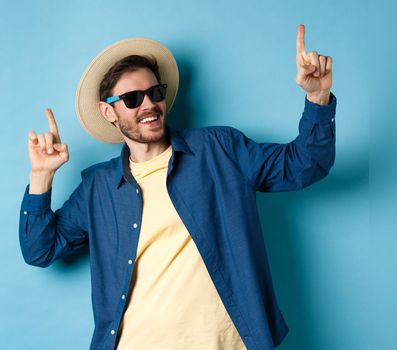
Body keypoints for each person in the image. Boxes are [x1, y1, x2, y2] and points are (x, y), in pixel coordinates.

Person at [19, 24, 336, 350]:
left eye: (155, 93)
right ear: (108, 111)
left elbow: (305, 165)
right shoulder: (97, 187)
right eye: (131, 98)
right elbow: (40, 250)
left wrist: (318, 97)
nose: (148, 105)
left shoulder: (218, 150)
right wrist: (41, 177)